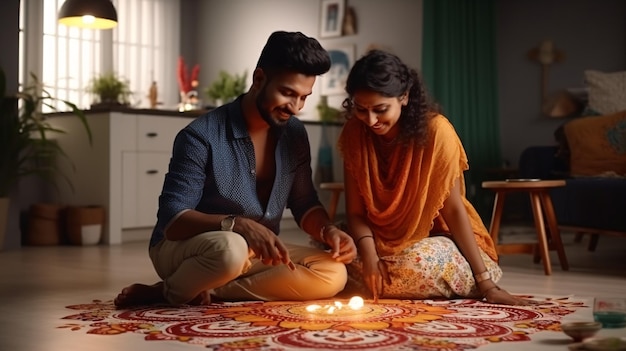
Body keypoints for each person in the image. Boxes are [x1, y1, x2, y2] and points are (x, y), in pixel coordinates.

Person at [114, 31, 357, 308]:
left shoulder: (294, 134)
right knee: (231, 250)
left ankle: (208, 290)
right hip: (191, 249)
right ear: (259, 79)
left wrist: (328, 231)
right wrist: (237, 224)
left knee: (334, 273)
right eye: (288, 93)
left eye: (304, 97)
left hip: (252, 253)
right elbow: (172, 221)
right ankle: (170, 290)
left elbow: (304, 202)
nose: (296, 107)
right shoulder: (200, 136)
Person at [337, 50, 529, 305]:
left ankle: (387, 280)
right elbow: (355, 214)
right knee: (334, 254)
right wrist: (370, 256)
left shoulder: (437, 132)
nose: (370, 120)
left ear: (404, 97)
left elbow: (453, 210)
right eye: (361, 109)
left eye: (380, 109)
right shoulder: (354, 132)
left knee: (417, 263)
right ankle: (375, 274)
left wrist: (485, 282)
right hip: (375, 239)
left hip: (437, 240)